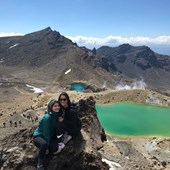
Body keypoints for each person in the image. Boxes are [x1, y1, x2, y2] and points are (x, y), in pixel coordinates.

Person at [33, 99, 65, 170]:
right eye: (55, 106)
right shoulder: (47, 117)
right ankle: (40, 164)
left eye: (58, 106)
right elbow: (46, 133)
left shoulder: (56, 115)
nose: (57, 107)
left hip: (50, 135)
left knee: (54, 149)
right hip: (39, 136)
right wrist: (47, 147)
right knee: (44, 145)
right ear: (51, 107)